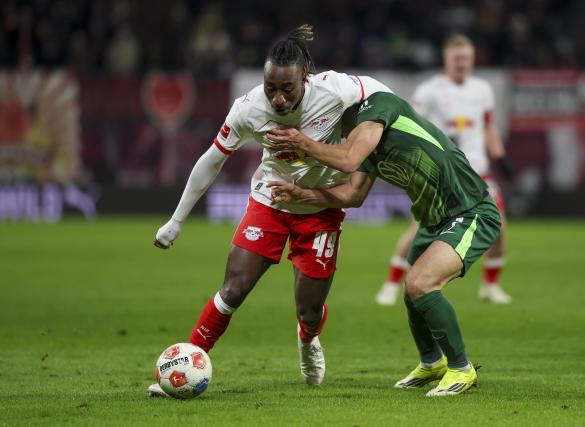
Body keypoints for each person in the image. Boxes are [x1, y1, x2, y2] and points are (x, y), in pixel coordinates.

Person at [148, 25, 391, 396]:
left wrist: (377, 130)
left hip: (319, 205)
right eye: (270, 87)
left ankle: (308, 338)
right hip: (271, 199)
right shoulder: (248, 109)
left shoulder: (334, 89)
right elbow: (211, 160)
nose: (277, 98)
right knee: (233, 289)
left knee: (309, 310)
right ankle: (186, 365)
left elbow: (381, 95)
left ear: (304, 80)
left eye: (286, 89)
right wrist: (177, 219)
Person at [266, 91, 501, 397]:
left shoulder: (380, 104)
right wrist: (304, 196)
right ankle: (432, 363)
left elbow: (349, 158)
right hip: (433, 220)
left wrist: (302, 143)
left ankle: (461, 368)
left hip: (470, 211)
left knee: (422, 284)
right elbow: (353, 195)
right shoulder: (367, 149)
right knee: (412, 290)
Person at [375, 34, 513, 306]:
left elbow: (486, 125)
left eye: (467, 59)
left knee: (498, 228)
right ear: (446, 60)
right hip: (444, 175)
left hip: (478, 175)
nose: (462, 63)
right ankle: (391, 283)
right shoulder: (430, 91)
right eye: (457, 58)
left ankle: (490, 286)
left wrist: (500, 155)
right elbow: (410, 126)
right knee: (419, 229)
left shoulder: (482, 90)